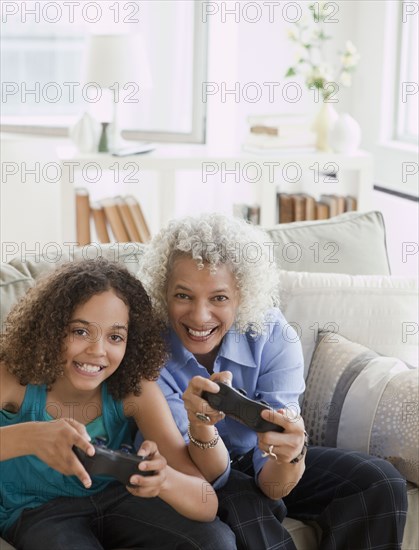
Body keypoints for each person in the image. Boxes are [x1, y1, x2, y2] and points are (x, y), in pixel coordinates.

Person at [137, 213, 408, 550]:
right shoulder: (148, 352)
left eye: (219, 298)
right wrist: (202, 424)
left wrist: (290, 457)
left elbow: (272, 485)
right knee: (242, 499)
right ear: (163, 293)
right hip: (192, 474)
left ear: (242, 297)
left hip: (256, 461)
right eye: (183, 296)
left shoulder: (272, 335)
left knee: (378, 482)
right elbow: (205, 476)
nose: (200, 316)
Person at [0, 258, 237, 550]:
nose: (97, 351)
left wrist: (164, 480)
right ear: (50, 329)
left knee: (215, 541)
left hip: (117, 500)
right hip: (38, 513)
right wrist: (31, 437)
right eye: (80, 331)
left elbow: (206, 502)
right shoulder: (14, 376)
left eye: (115, 336)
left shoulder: (134, 390)